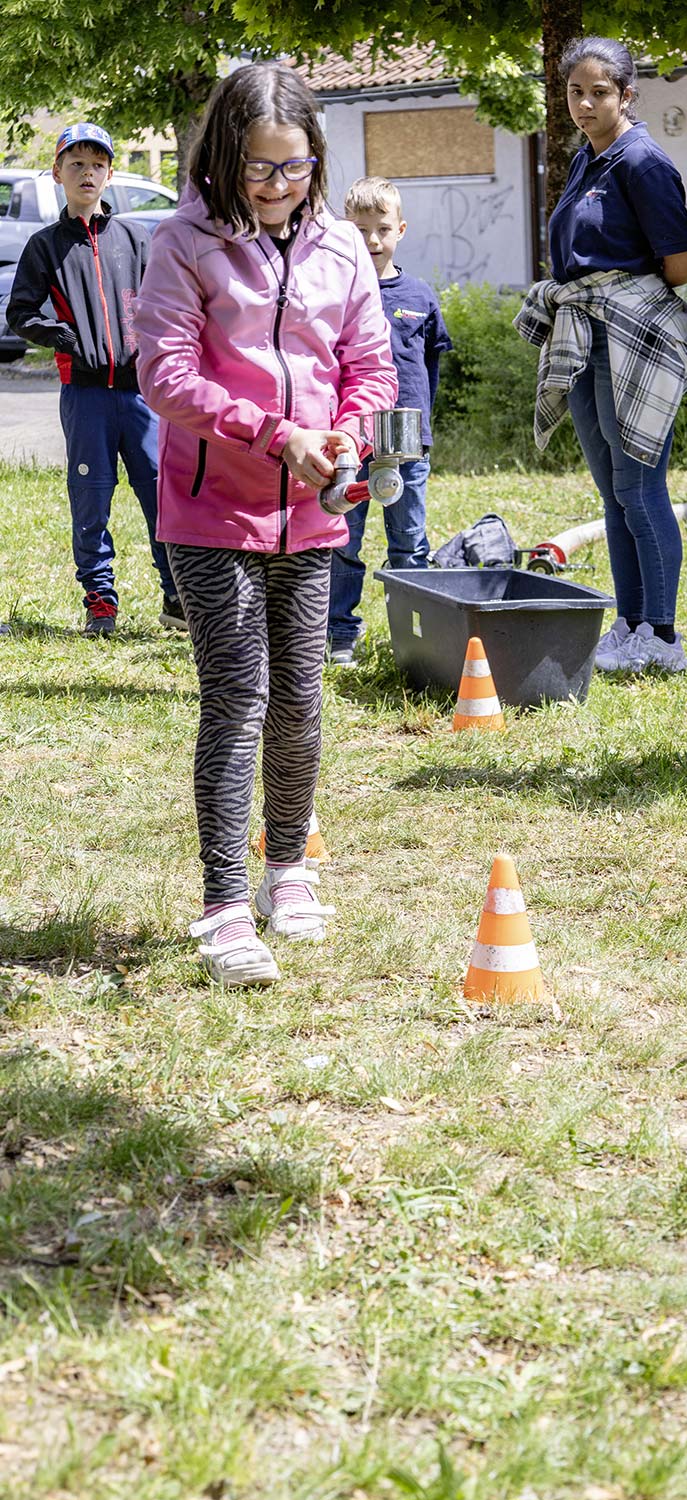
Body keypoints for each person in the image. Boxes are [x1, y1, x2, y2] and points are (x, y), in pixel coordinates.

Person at [134, 64, 397, 983]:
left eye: (295, 167)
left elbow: (370, 364)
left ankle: (288, 870)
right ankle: (222, 906)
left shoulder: (341, 246)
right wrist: (277, 435)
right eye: (259, 168)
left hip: (313, 509)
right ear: (223, 156)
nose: (278, 186)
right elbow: (166, 376)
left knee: (300, 699)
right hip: (213, 508)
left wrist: (351, 432)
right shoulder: (183, 241)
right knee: (238, 696)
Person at [515, 36, 687, 675]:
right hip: (584, 337)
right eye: (576, 92)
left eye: (600, 92)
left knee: (640, 486)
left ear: (627, 95)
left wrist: (621, 295)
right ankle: (630, 623)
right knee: (614, 492)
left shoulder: (641, 162)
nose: (586, 104)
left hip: (630, 338)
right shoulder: (584, 159)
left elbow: (683, 263)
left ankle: (664, 636)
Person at [7, 123, 183, 636]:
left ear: (110, 174)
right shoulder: (45, 245)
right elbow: (20, 312)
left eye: (97, 165)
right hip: (85, 395)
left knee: (161, 495)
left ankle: (177, 596)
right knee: (91, 497)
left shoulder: (135, 238)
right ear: (58, 173)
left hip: (142, 395)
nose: (87, 173)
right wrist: (64, 337)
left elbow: (164, 303)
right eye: (76, 164)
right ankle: (100, 602)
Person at [325, 176, 452, 666]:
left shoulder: (419, 295)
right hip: (350, 440)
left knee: (409, 542)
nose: (372, 240)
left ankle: (416, 638)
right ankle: (339, 633)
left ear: (400, 229)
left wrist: (422, 431)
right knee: (344, 539)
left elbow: (431, 366)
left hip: (406, 442)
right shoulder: (334, 293)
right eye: (361, 231)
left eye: (382, 229)